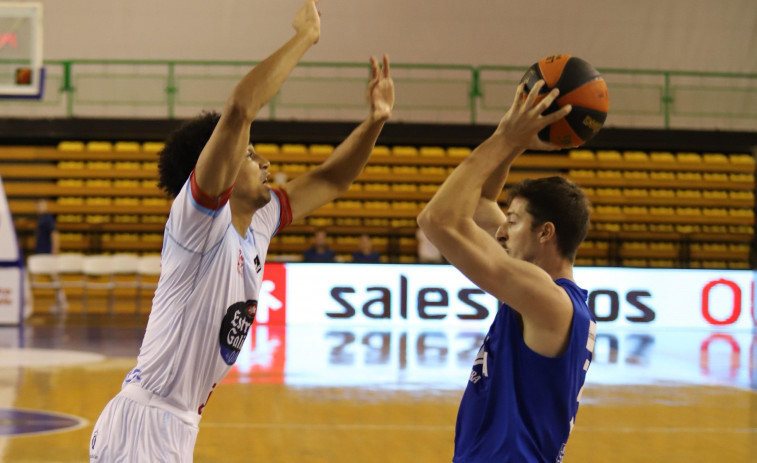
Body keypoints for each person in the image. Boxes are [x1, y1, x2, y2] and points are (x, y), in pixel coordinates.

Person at [89, 2, 394, 461]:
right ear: (222, 168)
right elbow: (239, 110)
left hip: (173, 423)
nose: (265, 162)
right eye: (252, 155)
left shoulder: (260, 222)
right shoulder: (197, 223)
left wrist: (375, 122)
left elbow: (333, 179)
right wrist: (305, 37)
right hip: (147, 423)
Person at [417, 81, 596, 462]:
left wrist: (504, 137)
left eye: (512, 221)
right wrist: (515, 138)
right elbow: (481, 199)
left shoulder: (543, 295)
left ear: (545, 233)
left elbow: (436, 219)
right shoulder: (546, 294)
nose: (500, 230)